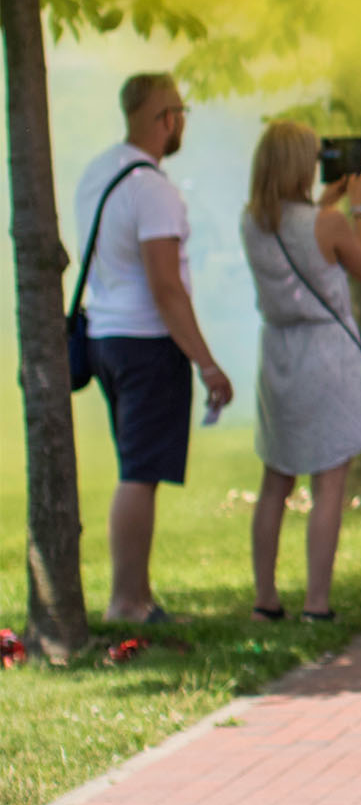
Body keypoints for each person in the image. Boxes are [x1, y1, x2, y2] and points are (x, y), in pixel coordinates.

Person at [72, 72, 234, 624]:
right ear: (165, 118)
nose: (182, 121)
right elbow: (166, 288)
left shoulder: (98, 172)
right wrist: (207, 364)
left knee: (135, 468)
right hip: (146, 344)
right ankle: (129, 602)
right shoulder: (154, 189)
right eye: (180, 111)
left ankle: (136, 595)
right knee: (139, 474)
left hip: (105, 339)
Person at [239, 121, 361, 621]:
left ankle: (265, 599)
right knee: (329, 481)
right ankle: (317, 603)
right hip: (326, 350)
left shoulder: (251, 222)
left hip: (278, 350)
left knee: (276, 478)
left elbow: (296, 234)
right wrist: (356, 206)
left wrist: (326, 201)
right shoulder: (330, 223)